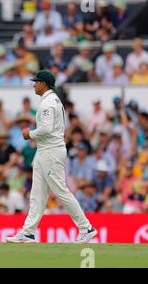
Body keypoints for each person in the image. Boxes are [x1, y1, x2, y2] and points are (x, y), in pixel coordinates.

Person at [6, 70, 97, 244]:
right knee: (37, 193)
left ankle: (86, 227)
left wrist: (29, 134)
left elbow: (46, 129)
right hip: (45, 151)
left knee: (60, 191)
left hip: (50, 151)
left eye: (36, 82)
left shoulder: (48, 103)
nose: (34, 85)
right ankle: (28, 232)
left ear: (44, 84)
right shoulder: (52, 100)